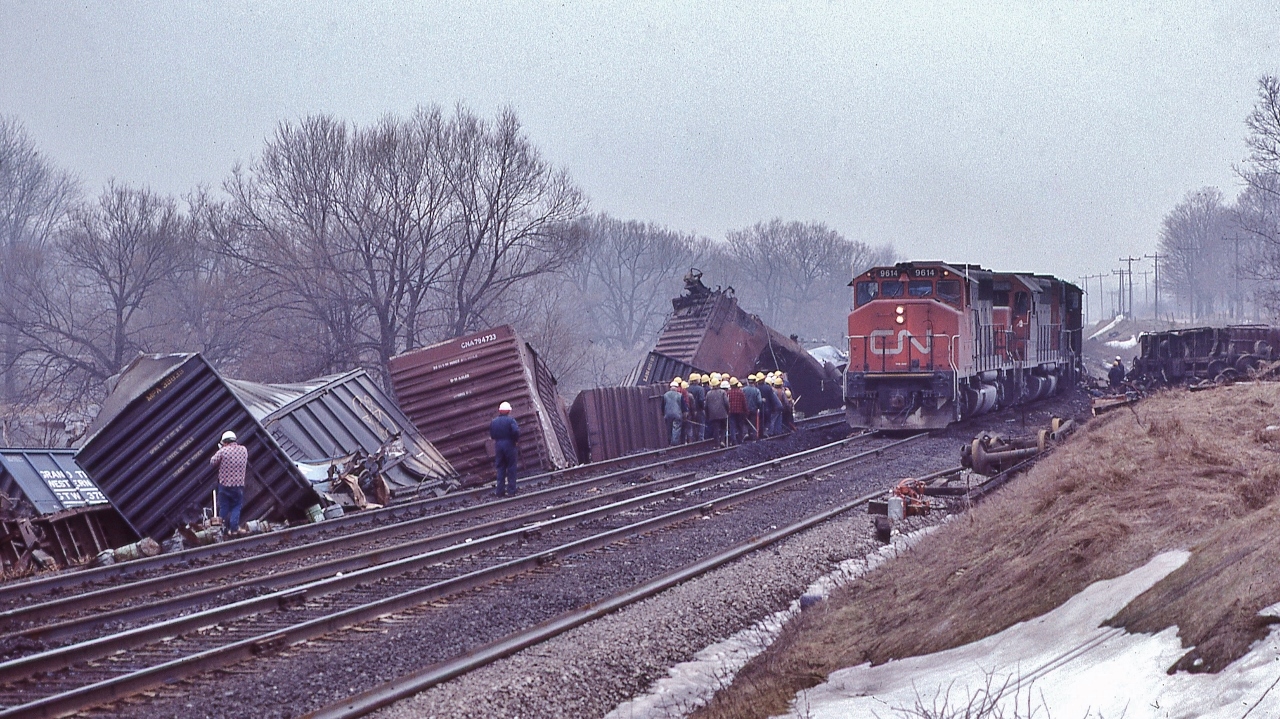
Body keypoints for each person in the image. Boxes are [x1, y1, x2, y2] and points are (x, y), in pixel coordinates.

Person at [210, 430, 248, 535]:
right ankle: (234, 528)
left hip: (224, 485)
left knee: (224, 507)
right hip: (238, 485)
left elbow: (212, 462)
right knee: (237, 505)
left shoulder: (223, 451)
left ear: (225, 442)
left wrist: (221, 449)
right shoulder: (244, 450)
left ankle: (223, 530)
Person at [489, 401, 520, 497]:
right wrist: (515, 440)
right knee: (511, 467)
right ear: (508, 411)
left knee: (501, 468)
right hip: (509, 444)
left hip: (498, 445)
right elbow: (515, 431)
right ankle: (511, 491)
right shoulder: (511, 421)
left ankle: (500, 492)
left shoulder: (494, 422)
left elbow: (492, 434)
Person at [704, 379, 730, 447]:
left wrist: (707, 414)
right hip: (723, 413)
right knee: (723, 428)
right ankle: (722, 440)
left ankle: (717, 444)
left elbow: (706, 405)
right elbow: (726, 403)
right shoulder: (723, 392)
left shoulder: (708, 394)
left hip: (713, 415)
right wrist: (727, 411)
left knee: (716, 429)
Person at [663, 380, 684, 446]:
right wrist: (684, 412)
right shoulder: (679, 395)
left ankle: (669, 442)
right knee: (676, 428)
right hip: (677, 414)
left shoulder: (665, 395)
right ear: (677, 388)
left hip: (667, 415)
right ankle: (674, 444)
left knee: (669, 428)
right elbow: (683, 405)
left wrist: (663, 413)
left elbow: (662, 406)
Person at [727, 377, 747, 445]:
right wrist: (746, 411)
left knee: (732, 426)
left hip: (731, 412)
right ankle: (740, 439)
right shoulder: (740, 393)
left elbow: (727, 402)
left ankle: (734, 440)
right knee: (740, 426)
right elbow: (744, 403)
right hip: (740, 412)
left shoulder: (728, 393)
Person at [743, 373, 762, 441]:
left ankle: (746, 434)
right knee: (753, 423)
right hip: (754, 409)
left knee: (745, 423)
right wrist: (758, 407)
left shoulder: (743, 389)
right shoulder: (756, 390)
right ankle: (754, 437)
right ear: (754, 381)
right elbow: (759, 401)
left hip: (745, 410)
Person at [687, 373, 706, 442]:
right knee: (701, 424)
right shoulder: (700, 389)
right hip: (699, 410)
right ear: (696, 380)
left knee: (691, 425)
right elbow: (701, 400)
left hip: (689, 410)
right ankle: (700, 439)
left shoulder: (687, 389)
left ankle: (691, 440)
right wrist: (703, 408)